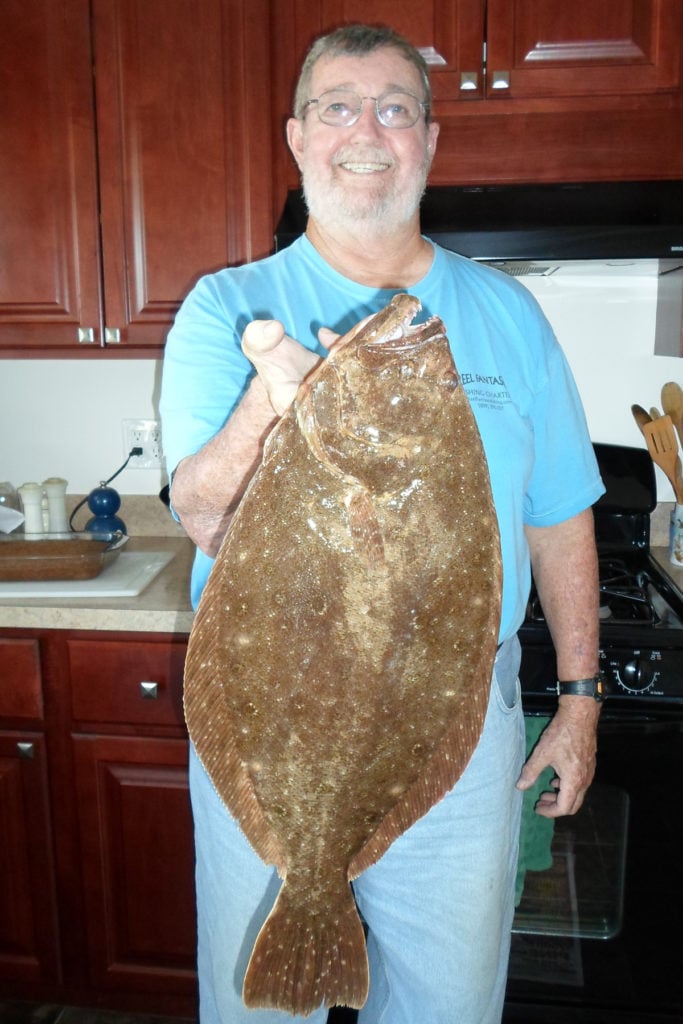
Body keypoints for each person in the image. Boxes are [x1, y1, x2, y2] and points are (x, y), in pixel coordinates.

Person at [160, 22, 604, 1024]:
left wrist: (577, 700)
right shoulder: (228, 307)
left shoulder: (503, 313)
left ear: (429, 142)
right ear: (297, 136)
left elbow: (561, 514)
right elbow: (201, 514)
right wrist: (268, 405)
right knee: (257, 1007)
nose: (367, 129)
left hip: (450, 711)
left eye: (395, 108)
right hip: (272, 718)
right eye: (338, 106)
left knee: (448, 1004)